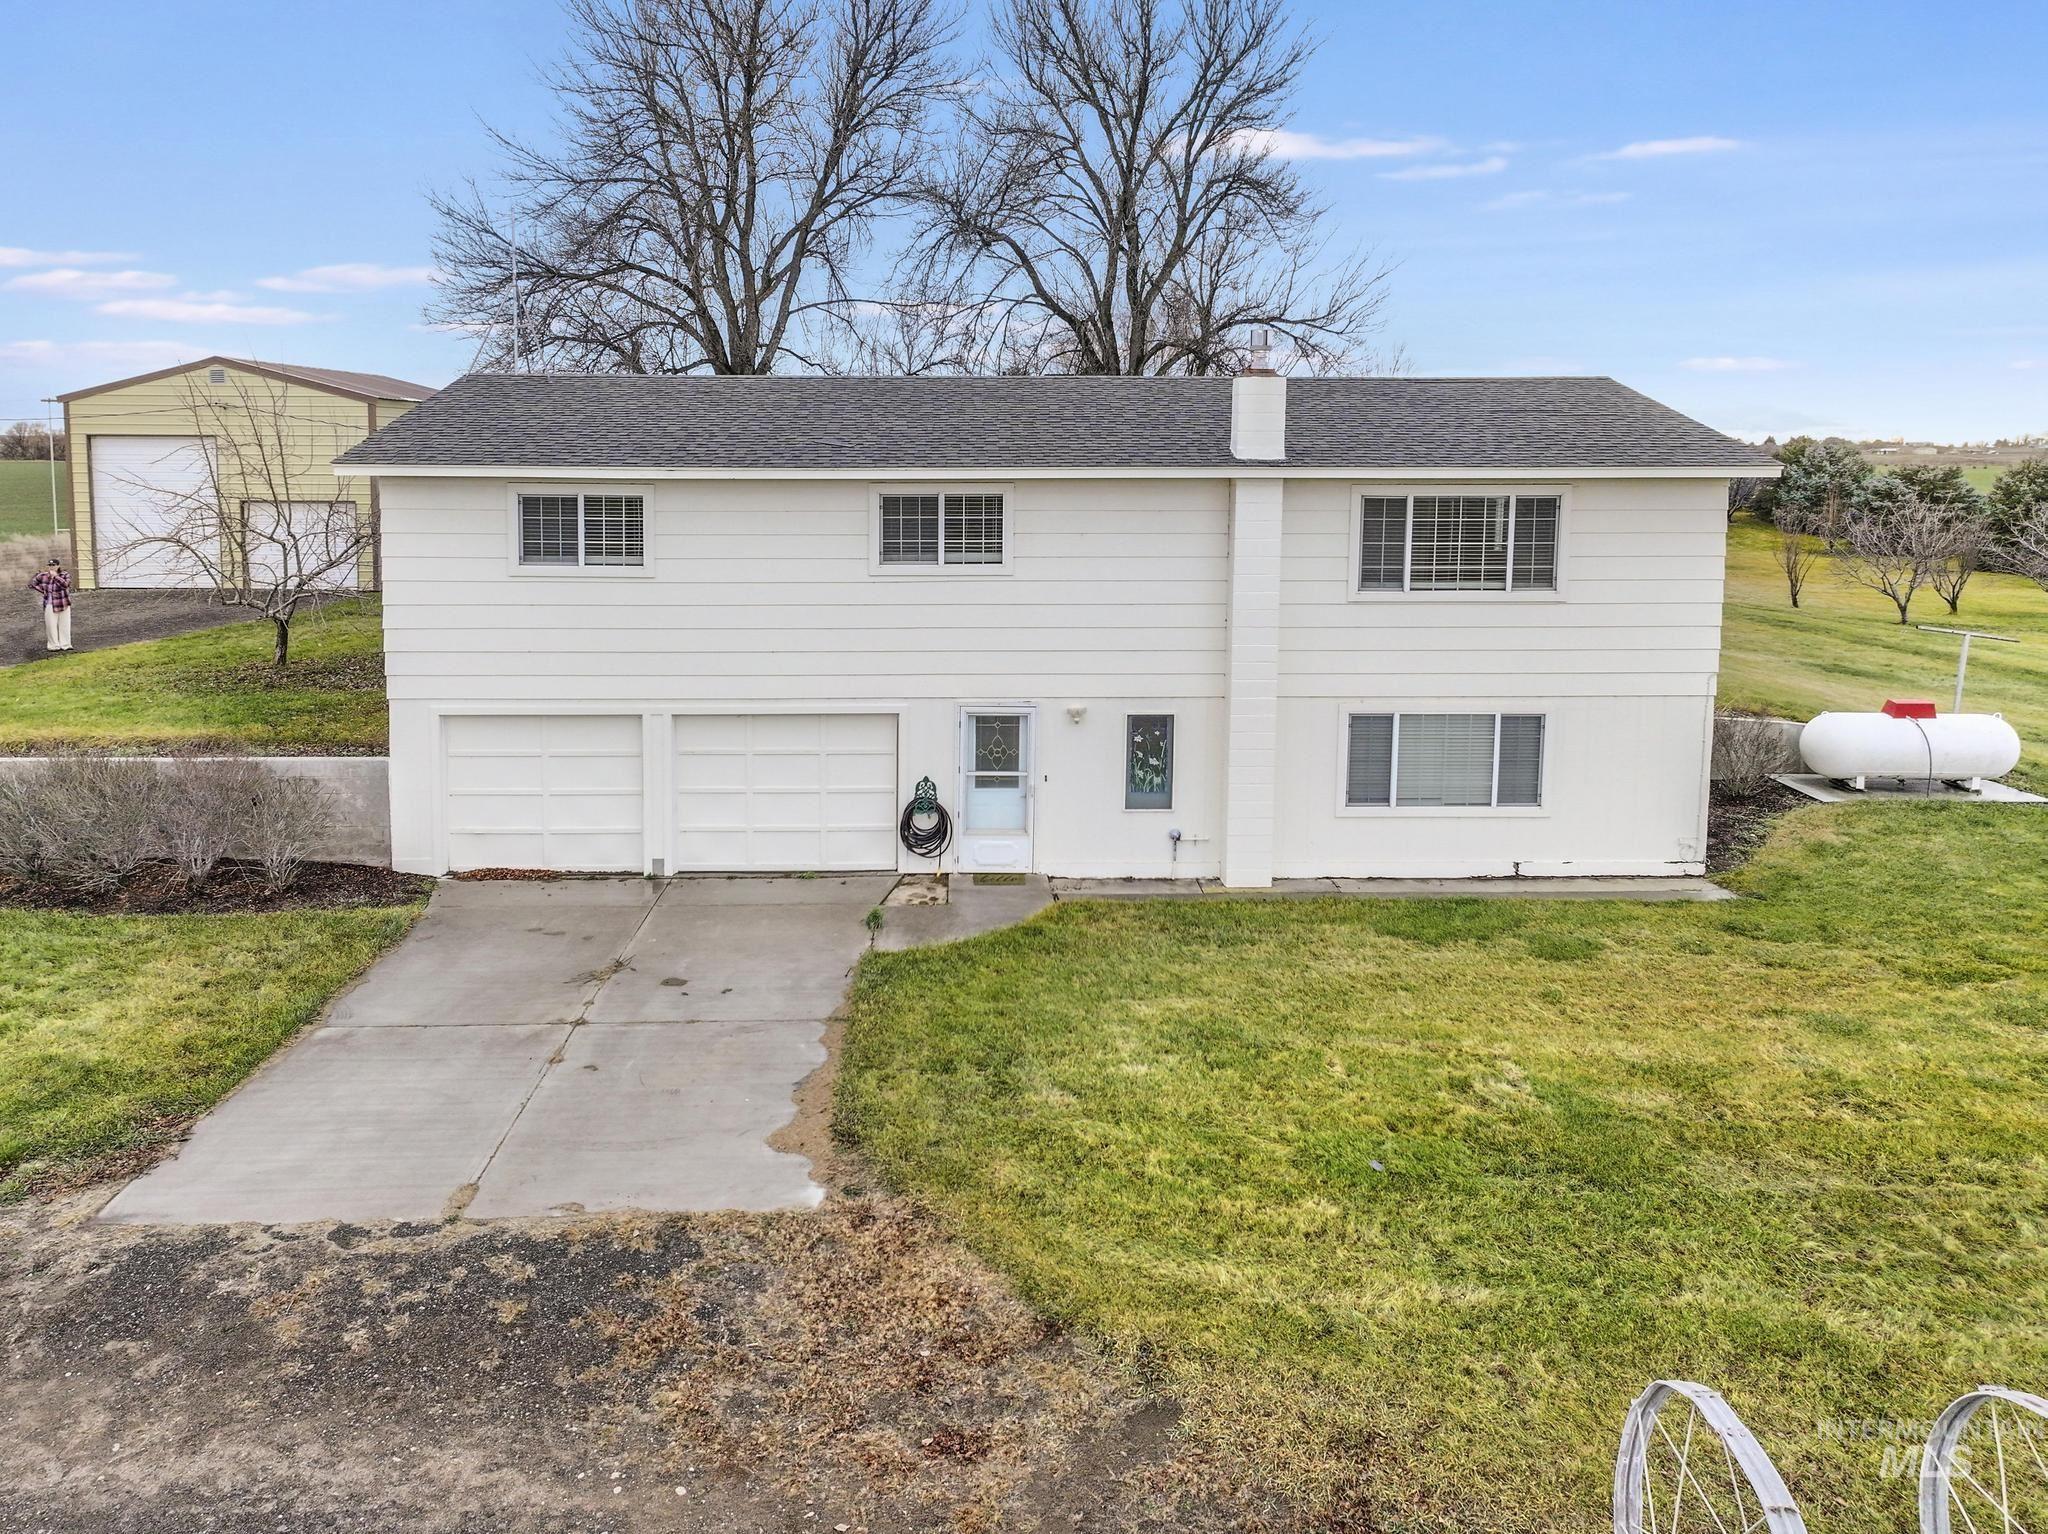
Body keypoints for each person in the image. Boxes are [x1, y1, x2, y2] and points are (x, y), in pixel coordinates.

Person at [29, 558, 73, 653]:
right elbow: (32, 583)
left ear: (58, 566)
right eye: (50, 565)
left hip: (63, 602)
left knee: (64, 624)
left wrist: (56, 577)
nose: (52, 567)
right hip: (49, 604)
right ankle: (53, 645)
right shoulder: (43, 576)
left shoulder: (65, 575)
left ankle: (65, 644)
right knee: (51, 625)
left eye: (54, 565)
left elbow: (65, 585)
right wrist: (43, 590)